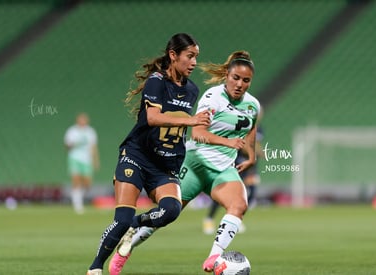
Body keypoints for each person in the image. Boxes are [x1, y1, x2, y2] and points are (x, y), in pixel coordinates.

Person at [108, 50, 261, 274]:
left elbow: (251, 127)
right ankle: (127, 247)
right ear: (226, 75)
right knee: (165, 215)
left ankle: (214, 258)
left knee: (239, 205)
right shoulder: (213, 97)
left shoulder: (252, 104)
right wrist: (228, 143)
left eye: (245, 80)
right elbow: (198, 132)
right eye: (235, 78)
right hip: (195, 164)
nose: (239, 84)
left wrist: (251, 156)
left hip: (221, 170)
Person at [86, 33, 211, 275]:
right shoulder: (156, 81)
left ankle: (135, 225)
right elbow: (152, 118)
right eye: (190, 56)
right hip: (137, 156)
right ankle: (95, 268)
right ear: (173, 56)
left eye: (196, 56)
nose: (194, 62)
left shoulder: (192, 90)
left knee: (171, 210)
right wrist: (192, 121)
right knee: (121, 219)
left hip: (165, 165)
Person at [203, 125, 264, 234]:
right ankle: (209, 219)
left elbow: (257, 146)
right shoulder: (238, 125)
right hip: (235, 162)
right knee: (223, 194)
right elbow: (245, 145)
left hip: (250, 165)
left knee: (250, 193)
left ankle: (235, 219)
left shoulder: (259, 128)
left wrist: (258, 154)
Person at [64, 112, 99, 214]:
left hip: (87, 160)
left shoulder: (90, 132)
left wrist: (95, 160)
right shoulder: (72, 131)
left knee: (87, 183)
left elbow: (93, 147)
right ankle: (77, 204)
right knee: (76, 180)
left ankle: (78, 197)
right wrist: (70, 145)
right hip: (75, 158)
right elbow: (67, 146)